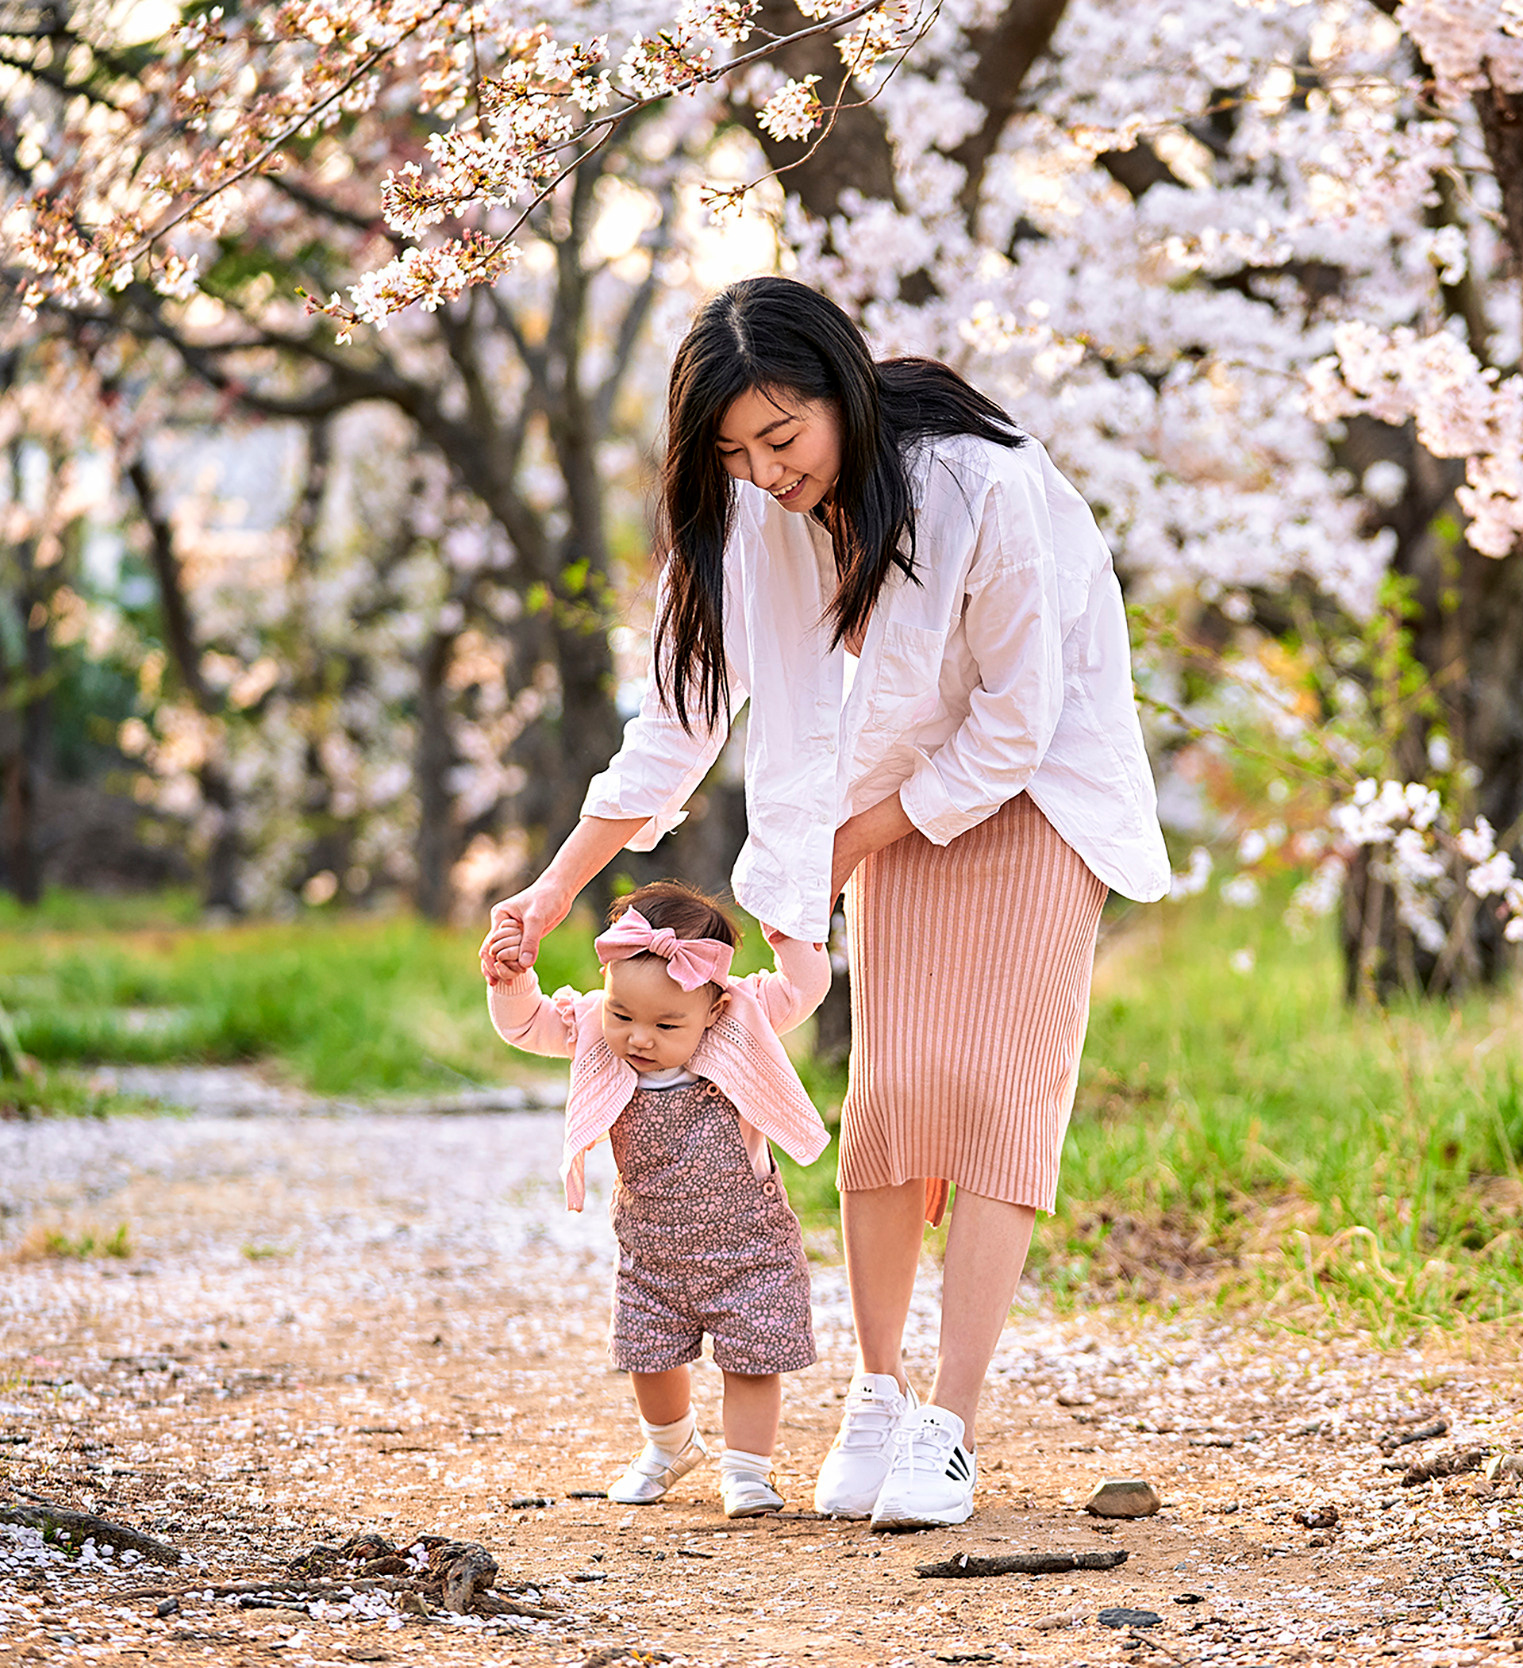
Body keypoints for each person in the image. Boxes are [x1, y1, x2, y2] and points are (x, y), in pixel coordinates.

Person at [480, 275, 1170, 1530]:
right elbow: (676, 727)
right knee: (894, 1093)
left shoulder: (982, 487)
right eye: (733, 454)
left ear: (840, 390)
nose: (764, 472)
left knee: (996, 1093)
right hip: (898, 796)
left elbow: (1015, 722)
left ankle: (950, 1424)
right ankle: (880, 1392)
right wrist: (552, 885)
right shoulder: (753, 520)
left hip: (1039, 792)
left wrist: (841, 843)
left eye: (782, 437)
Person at [484, 879, 831, 1515]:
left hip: (747, 1244)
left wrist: (790, 931)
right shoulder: (593, 1028)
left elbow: (804, 988)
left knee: (753, 1359)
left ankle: (747, 1470)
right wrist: (510, 978)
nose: (639, 1038)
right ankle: (670, 1444)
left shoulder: (742, 1018)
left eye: (666, 1024)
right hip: (653, 1247)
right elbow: (526, 1025)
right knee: (648, 1355)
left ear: (713, 1009)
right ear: (607, 989)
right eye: (623, 1016)